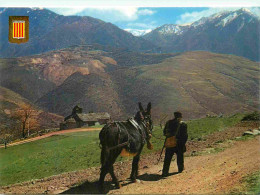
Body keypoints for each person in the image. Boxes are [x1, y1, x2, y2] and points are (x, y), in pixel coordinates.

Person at [162, 111, 188, 177]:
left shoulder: (168, 123)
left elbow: (164, 133)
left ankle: (165, 172)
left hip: (169, 143)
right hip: (179, 144)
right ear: (180, 117)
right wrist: (183, 143)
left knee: (167, 158)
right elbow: (185, 135)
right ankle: (180, 169)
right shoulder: (183, 124)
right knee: (180, 156)